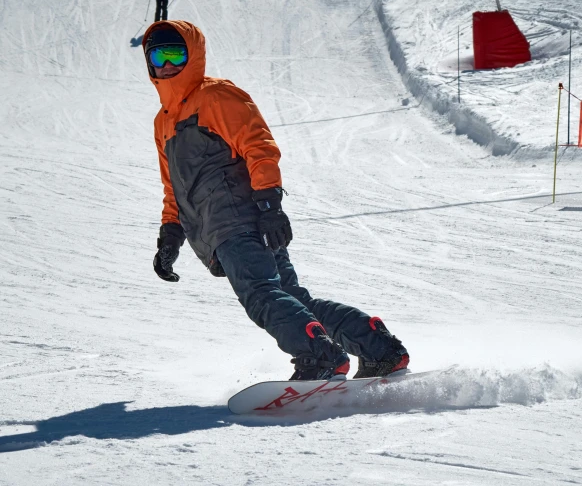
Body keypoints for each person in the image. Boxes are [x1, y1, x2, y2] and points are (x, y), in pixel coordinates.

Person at [143, 20, 410, 380]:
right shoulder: (163, 124)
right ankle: (378, 348)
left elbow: (259, 147)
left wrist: (270, 206)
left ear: (193, 54)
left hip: (238, 220)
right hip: (217, 229)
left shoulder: (216, 96)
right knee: (291, 298)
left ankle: (320, 356)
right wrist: (170, 239)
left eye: (176, 52)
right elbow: (172, 188)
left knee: (260, 295)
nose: (167, 64)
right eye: (158, 55)